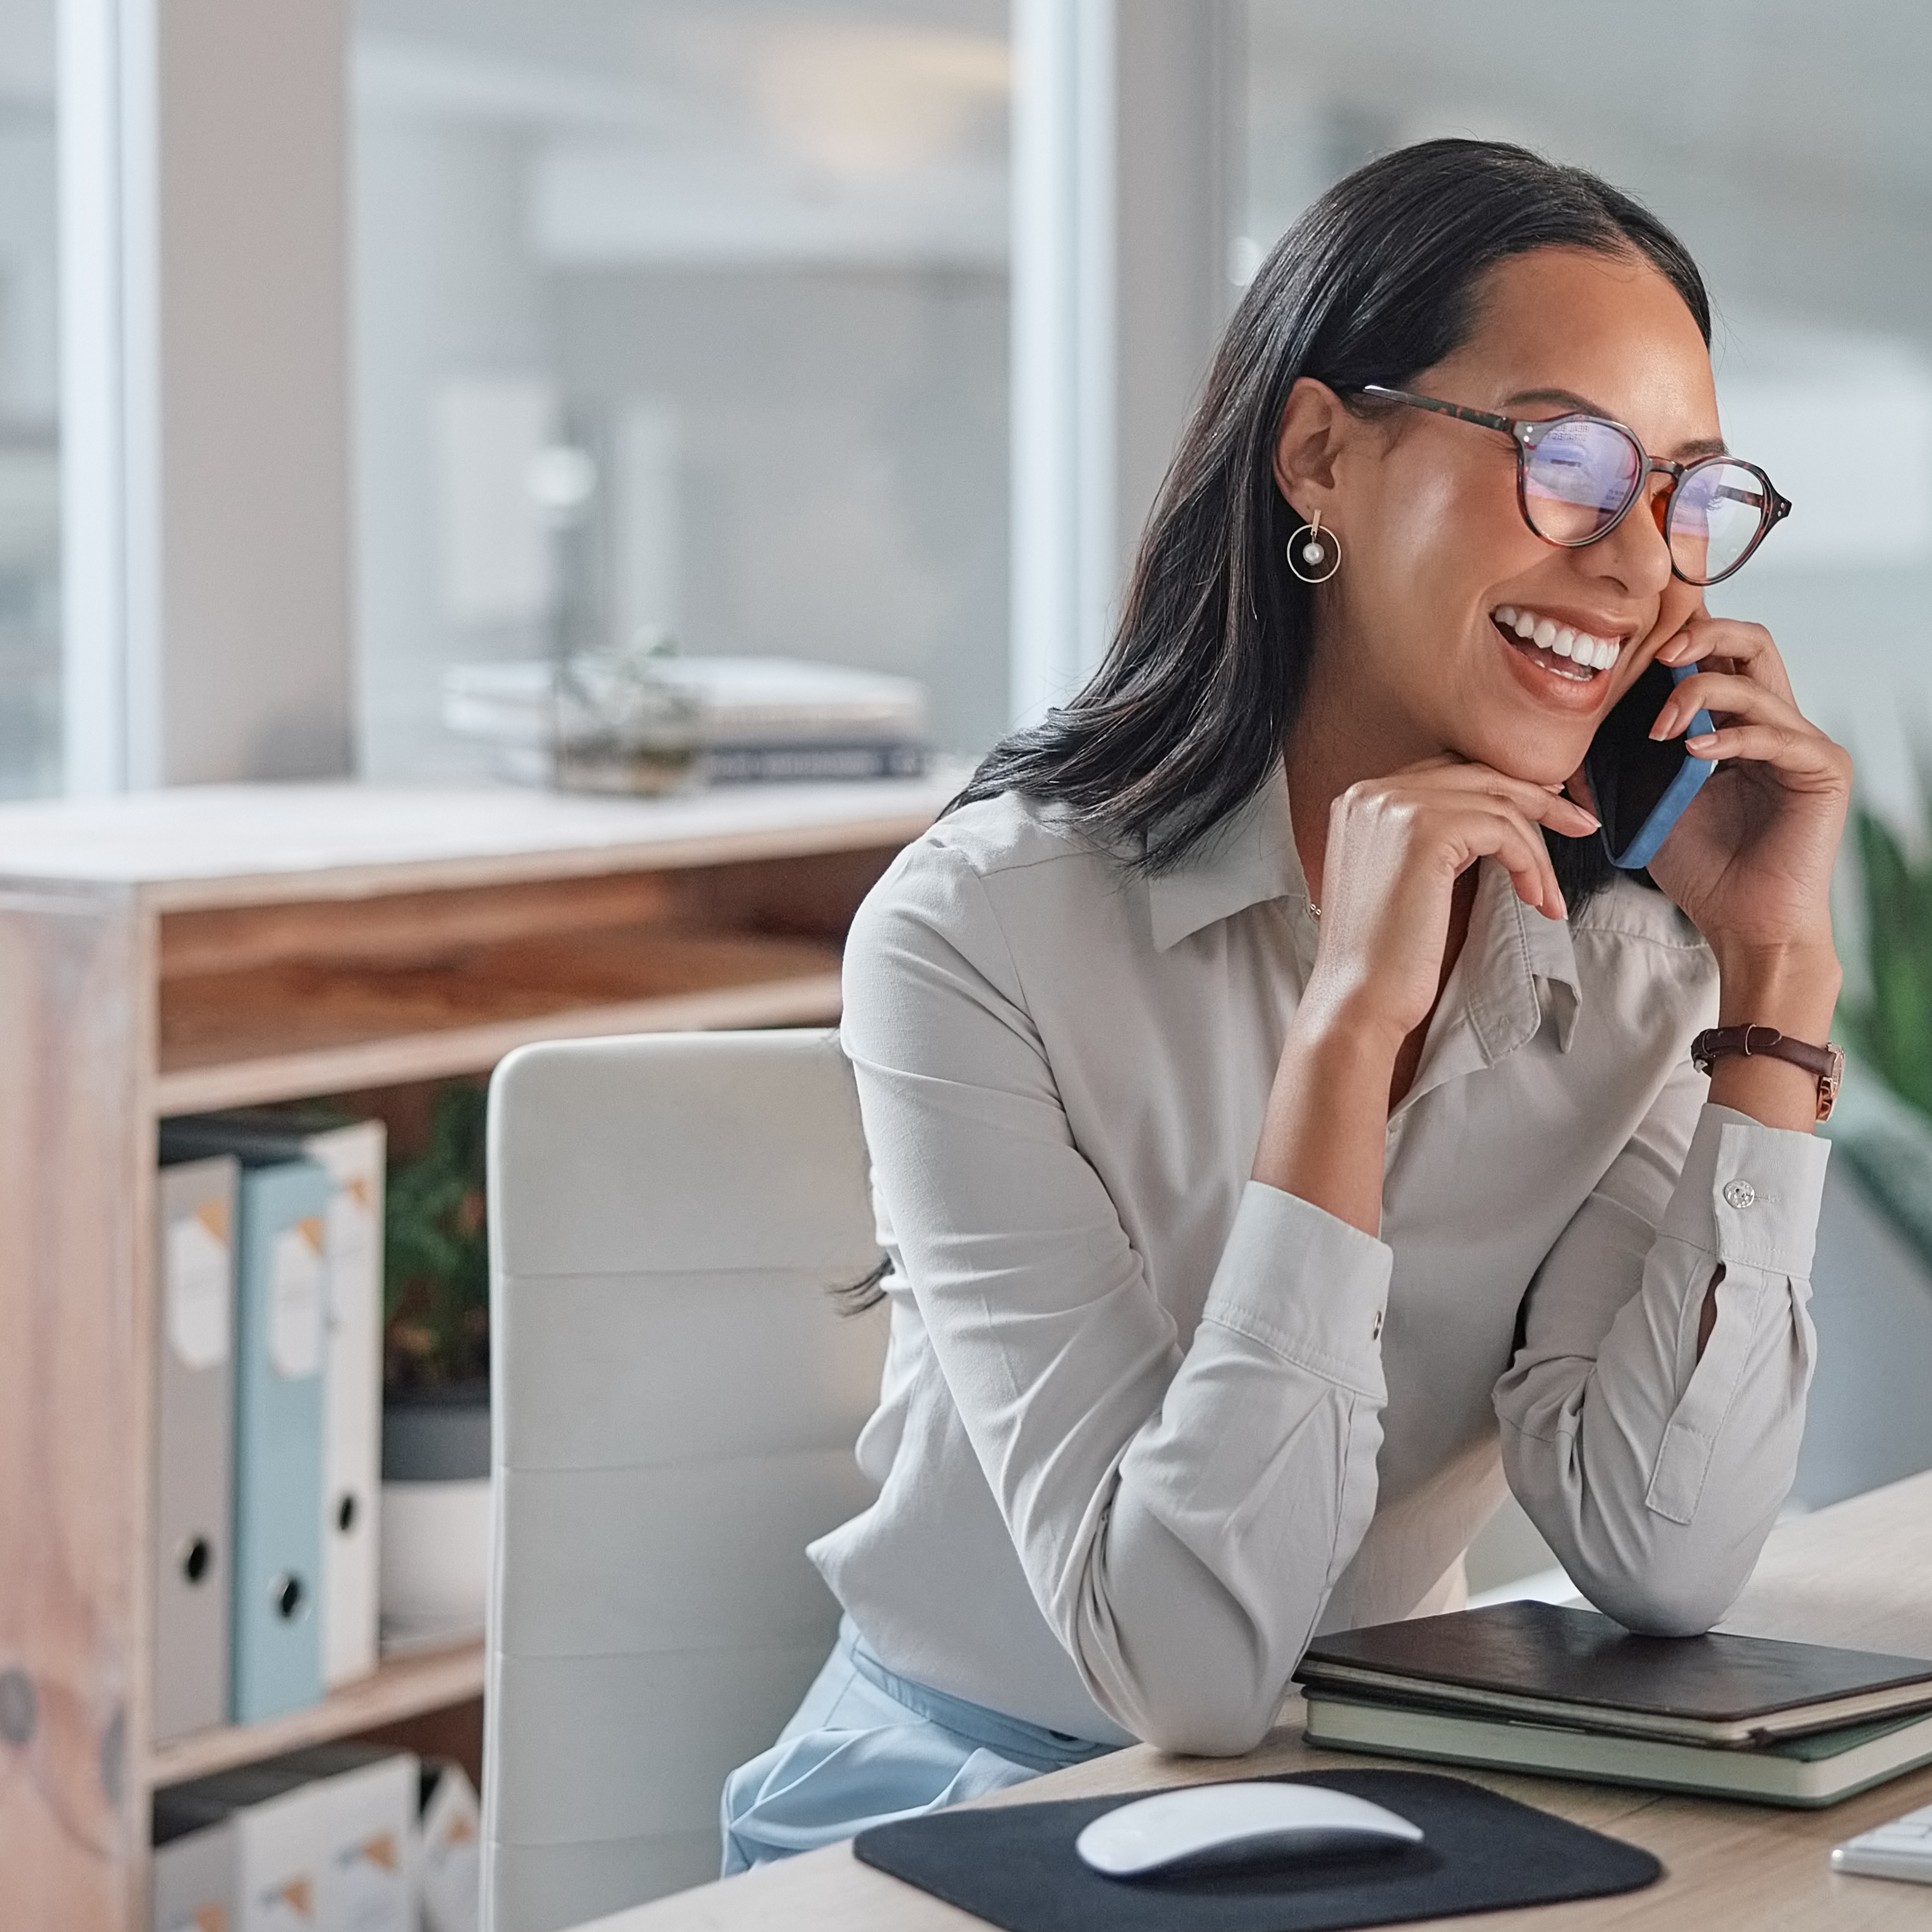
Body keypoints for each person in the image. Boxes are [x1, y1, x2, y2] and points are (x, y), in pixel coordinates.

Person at [720, 138, 1852, 1870]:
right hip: (966, 1803)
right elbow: (1185, 1665)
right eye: (1567, 460)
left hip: (1385, 1787)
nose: (1640, 569)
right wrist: (1347, 1039)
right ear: (1321, 452)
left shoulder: (1642, 966)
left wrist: (1776, 982)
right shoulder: (978, 933)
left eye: (1689, 494)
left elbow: (1665, 1549)